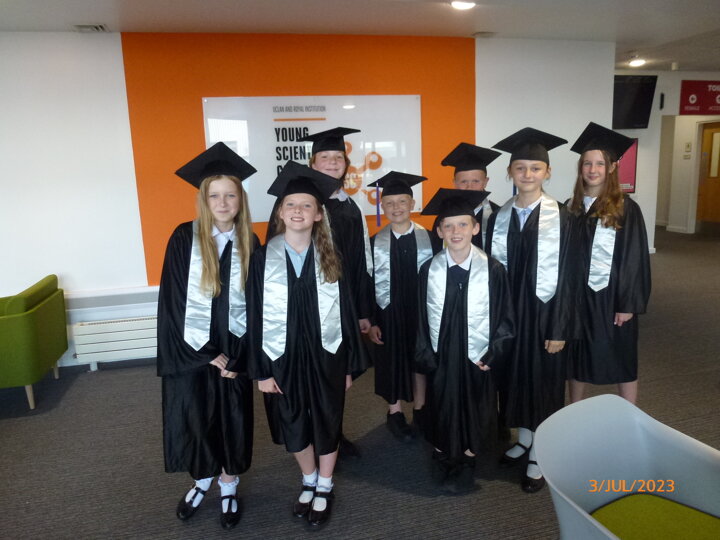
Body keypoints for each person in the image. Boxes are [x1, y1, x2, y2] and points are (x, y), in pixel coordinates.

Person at [247, 161, 368, 527]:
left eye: (306, 205)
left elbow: (346, 313)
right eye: (291, 204)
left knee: (328, 417)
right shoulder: (262, 258)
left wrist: (349, 365)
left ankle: (325, 484)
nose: (298, 210)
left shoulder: (331, 257)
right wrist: (262, 371)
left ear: (318, 215)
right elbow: (254, 315)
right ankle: (309, 478)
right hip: (281, 357)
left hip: (327, 355)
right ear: (280, 213)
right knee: (292, 419)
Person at [157, 142, 257, 529]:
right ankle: (201, 481)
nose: (223, 202)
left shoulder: (250, 242)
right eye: (214, 195)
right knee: (196, 415)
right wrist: (202, 352)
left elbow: (260, 306)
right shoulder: (185, 237)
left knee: (232, 417)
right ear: (204, 199)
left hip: (234, 347)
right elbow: (172, 301)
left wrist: (242, 355)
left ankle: (229, 485)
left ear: (240, 199)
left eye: (230, 194)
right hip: (195, 349)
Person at [266, 127, 371, 459]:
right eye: (325, 157)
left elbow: (360, 262)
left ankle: (332, 435)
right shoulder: (297, 203)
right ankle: (309, 437)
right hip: (297, 309)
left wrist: (362, 311)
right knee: (302, 377)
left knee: (334, 376)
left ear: (346, 164)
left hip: (338, 307)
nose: (332, 162)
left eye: (338, 157)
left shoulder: (350, 207)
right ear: (313, 163)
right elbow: (272, 260)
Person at [486, 128, 580, 493]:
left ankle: (541, 452)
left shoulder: (563, 218)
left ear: (548, 172)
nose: (527, 174)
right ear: (509, 172)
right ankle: (525, 439)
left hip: (544, 318)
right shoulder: (499, 217)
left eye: (535, 168)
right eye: (520, 167)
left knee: (543, 382)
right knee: (515, 378)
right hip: (511, 318)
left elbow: (569, 278)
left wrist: (559, 327)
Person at [416, 188, 515, 494]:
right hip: (443, 351)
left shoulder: (493, 270)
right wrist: (425, 354)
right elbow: (420, 316)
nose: (455, 231)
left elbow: (505, 317)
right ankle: (444, 452)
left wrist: (494, 352)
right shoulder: (429, 269)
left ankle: (469, 457)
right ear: (439, 231)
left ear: (475, 228)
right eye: (448, 226)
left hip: (477, 353)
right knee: (442, 399)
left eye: (462, 224)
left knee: (476, 401)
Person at [566, 122, 651, 404]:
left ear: (612, 167)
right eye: (587, 163)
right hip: (578, 297)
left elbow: (635, 258)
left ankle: (630, 413)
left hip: (612, 296)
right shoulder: (571, 206)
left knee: (622, 353)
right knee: (577, 354)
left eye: (600, 163)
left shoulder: (626, 207)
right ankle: (575, 409)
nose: (592, 169)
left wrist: (628, 303)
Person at [366, 171, 439, 441]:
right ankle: (394, 412)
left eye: (402, 202)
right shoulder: (374, 243)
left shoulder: (431, 239)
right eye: (389, 203)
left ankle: (420, 409)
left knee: (420, 360)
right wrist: (372, 320)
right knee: (391, 361)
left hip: (422, 315)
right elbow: (366, 284)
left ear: (412, 204)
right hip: (388, 316)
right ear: (382, 207)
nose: (396, 207)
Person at [436, 143, 503, 251]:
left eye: (476, 181)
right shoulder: (445, 216)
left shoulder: (499, 215)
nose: (469, 187)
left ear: (485, 182)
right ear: (454, 183)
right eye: (463, 181)